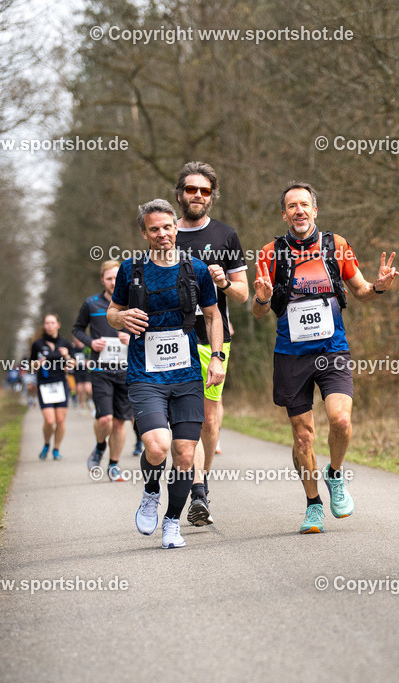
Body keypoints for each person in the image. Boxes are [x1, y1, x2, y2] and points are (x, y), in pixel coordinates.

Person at [253, 181, 398, 534]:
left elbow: (361, 291)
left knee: (341, 421)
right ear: (284, 213)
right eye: (292, 206)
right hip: (290, 355)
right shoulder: (270, 253)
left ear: (315, 210)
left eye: (305, 204)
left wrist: (378, 286)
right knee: (303, 436)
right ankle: (313, 504)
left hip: (332, 349)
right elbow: (259, 312)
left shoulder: (337, 246)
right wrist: (260, 299)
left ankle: (335, 474)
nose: (299, 210)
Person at [107, 198, 226, 549]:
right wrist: (120, 318)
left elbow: (213, 315)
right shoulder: (132, 270)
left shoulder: (197, 269)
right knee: (157, 448)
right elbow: (113, 311)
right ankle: (149, 492)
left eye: (167, 227)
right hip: (145, 374)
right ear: (144, 232)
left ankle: (172, 521)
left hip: (186, 373)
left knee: (186, 455)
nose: (162, 234)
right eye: (154, 229)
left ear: (176, 227)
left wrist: (216, 357)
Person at [173, 161, 249, 526]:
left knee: (207, 420)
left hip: (212, 338)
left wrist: (221, 283)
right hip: (171, 339)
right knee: (180, 418)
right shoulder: (165, 234)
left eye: (204, 191)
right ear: (180, 194)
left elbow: (243, 295)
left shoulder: (225, 235)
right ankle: (194, 483)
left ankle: (201, 486)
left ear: (212, 197)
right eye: (192, 189)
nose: (198, 196)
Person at [73, 259, 133, 482]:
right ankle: (99, 447)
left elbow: (149, 330)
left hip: (126, 369)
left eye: (117, 278)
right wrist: (91, 342)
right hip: (100, 369)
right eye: (109, 278)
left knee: (119, 421)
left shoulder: (132, 303)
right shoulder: (91, 303)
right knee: (105, 418)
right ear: (102, 280)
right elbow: (77, 329)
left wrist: (133, 338)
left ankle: (114, 464)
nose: (113, 282)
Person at [29, 313, 76, 460]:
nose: (50, 326)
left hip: (61, 383)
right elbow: (30, 365)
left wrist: (67, 356)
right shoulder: (38, 344)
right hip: (44, 384)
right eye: (47, 323)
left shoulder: (65, 344)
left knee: (60, 420)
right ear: (44, 326)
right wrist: (38, 363)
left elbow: (73, 364)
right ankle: (46, 443)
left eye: (52, 323)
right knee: (50, 421)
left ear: (58, 325)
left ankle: (56, 449)